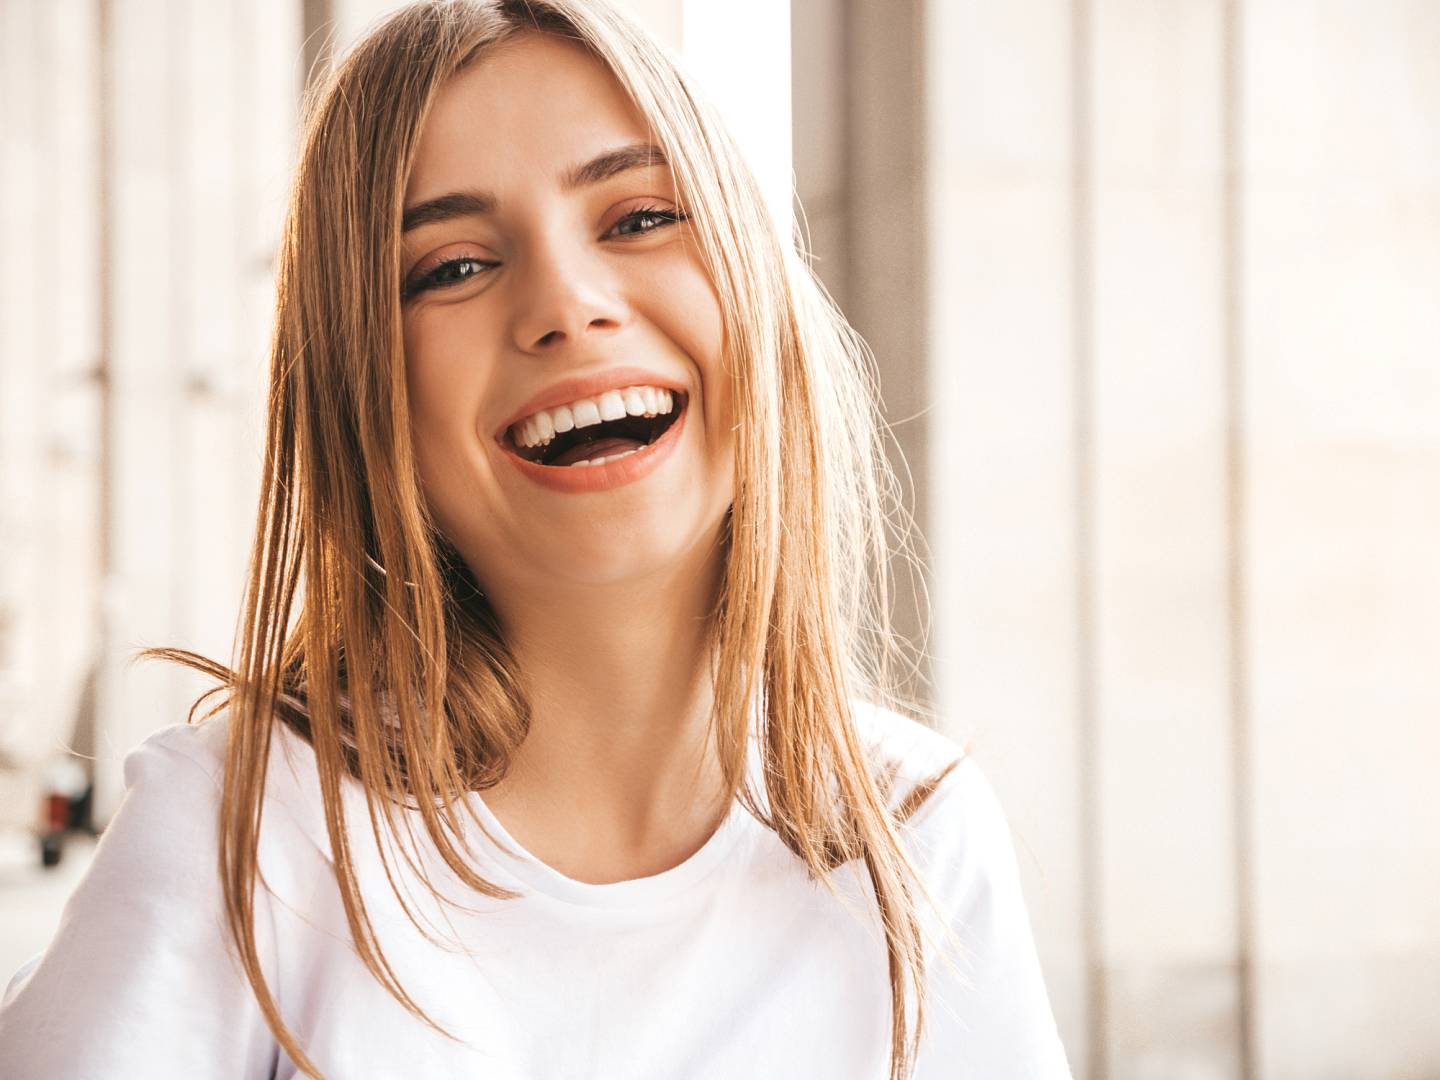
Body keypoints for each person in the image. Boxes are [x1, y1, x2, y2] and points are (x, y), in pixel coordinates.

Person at [0, 1, 1072, 1077]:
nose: (566, 303)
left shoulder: (916, 835)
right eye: (454, 267)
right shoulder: (240, 840)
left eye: (640, 216)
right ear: (362, 393)